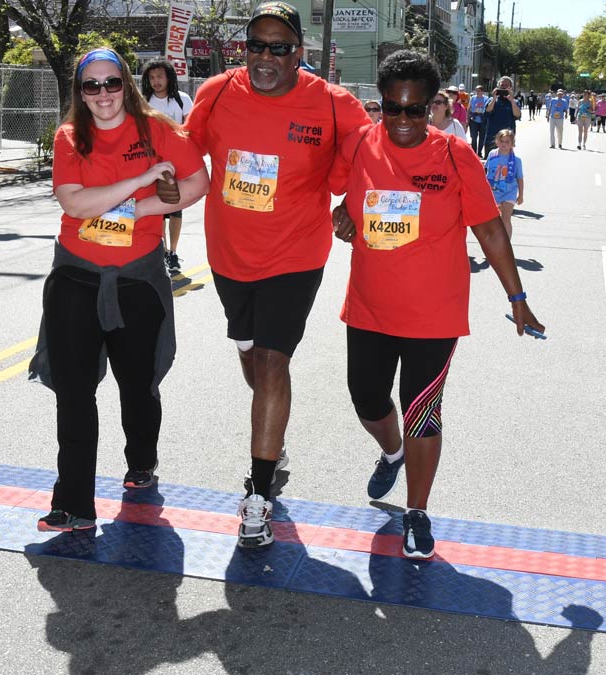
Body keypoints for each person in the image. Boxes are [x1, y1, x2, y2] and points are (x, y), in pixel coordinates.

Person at [329, 50, 544, 559]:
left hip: (434, 312)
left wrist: (517, 297)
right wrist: (345, 215)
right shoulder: (360, 143)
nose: (403, 121)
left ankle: (417, 511)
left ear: (433, 109)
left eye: (415, 110)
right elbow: (334, 193)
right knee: (366, 398)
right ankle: (392, 451)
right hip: (369, 307)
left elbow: (489, 228)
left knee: (422, 410)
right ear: (379, 105)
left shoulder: (454, 154)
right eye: (392, 108)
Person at [183, 1, 370, 548]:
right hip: (229, 255)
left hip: (296, 255)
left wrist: (354, 207)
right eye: (256, 46)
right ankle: (274, 434)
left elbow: (374, 157)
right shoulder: (215, 92)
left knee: (272, 359)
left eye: (279, 48)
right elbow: (182, 150)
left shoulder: (334, 105)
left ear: (299, 54)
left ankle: (257, 494)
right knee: (248, 352)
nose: (265, 58)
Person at [34, 47, 209, 532]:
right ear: (80, 92)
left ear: (126, 85)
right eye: (92, 86)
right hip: (75, 276)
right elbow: (74, 201)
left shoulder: (157, 129)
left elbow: (198, 183)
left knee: (137, 385)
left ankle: (141, 461)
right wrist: (142, 180)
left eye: (112, 83)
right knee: (72, 391)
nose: (104, 94)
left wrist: (140, 209)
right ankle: (73, 503)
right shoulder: (69, 137)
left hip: (137, 278)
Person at [141, 58, 195, 274]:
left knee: (175, 209)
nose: (156, 81)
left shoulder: (182, 100)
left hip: (176, 164)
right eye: (152, 77)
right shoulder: (144, 101)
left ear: (169, 77)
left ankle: (173, 252)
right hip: (151, 164)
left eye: (160, 76)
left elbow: (189, 130)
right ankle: (161, 251)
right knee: (157, 210)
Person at [484, 130, 524, 241]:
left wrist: (520, 195)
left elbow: (520, 179)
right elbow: (486, 172)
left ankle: (506, 245)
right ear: (497, 141)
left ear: (512, 144)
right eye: (501, 141)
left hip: (509, 193)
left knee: (506, 218)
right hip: (494, 191)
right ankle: (496, 243)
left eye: (507, 141)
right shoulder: (492, 154)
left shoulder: (516, 161)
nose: (504, 144)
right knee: (496, 220)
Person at [482, 77, 520, 157]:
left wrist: (512, 100)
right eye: (502, 85)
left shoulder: (514, 102)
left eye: (507, 85)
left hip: (507, 140)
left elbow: (517, 115)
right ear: (498, 86)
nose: (504, 87)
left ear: (511, 87)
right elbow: (487, 111)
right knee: (490, 165)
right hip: (492, 138)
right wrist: (494, 98)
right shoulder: (491, 100)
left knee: (506, 164)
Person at [468, 85, 489, 157]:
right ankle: (473, 152)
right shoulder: (472, 98)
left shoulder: (486, 99)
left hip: (483, 120)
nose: (477, 92)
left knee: (482, 137)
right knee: (473, 137)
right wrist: (467, 118)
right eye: (476, 91)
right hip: (474, 120)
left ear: (482, 92)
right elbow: (469, 108)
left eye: (479, 91)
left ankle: (479, 152)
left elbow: (487, 109)